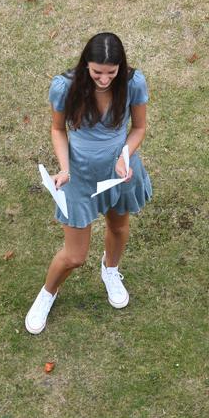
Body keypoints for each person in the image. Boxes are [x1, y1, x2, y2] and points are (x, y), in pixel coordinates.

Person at [25, 32, 152, 334]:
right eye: (97, 72)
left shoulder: (133, 84)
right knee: (74, 256)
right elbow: (58, 130)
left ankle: (110, 270)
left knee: (119, 227)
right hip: (79, 175)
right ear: (86, 65)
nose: (104, 79)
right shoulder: (65, 87)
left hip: (118, 172)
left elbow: (139, 127)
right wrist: (65, 169)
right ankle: (47, 294)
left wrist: (124, 156)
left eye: (111, 72)